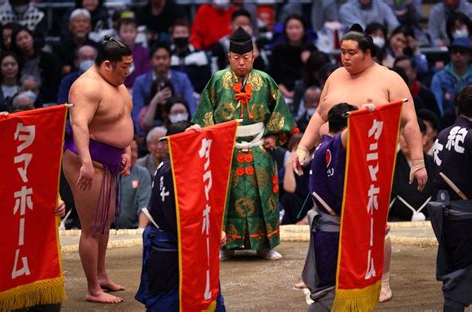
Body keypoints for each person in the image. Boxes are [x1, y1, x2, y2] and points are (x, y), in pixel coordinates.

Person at [191, 27, 295, 260]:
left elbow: (279, 112)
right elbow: (205, 115)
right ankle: (225, 244)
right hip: (226, 150)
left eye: (245, 58)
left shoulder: (265, 80)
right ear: (229, 57)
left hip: (259, 148)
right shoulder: (217, 80)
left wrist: (272, 135)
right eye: (236, 58)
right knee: (226, 197)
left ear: (253, 56)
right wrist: (214, 141)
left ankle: (265, 245)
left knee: (264, 197)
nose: (241, 63)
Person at [293, 25, 427, 193]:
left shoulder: (390, 79)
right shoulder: (335, 76)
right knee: (330, 214)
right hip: (331, 160)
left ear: (367, 53)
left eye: (352, 53)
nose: (346, 58)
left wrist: (418, 162)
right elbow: (320, 115)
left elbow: (409, 121)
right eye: (342, 52)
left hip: (372, 162)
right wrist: (303, 148)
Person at [62, 35, 133, 304]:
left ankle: (101, 274)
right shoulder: (86, 87)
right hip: (87, 160)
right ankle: (93, 289)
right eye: (123, 66)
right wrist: (87, 163)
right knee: (92, 226)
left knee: (106, 219)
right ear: (107, 65)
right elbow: (79, 125)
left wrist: (125, 149)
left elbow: (123, 117)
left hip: (109, 160)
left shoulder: (117, 83)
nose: (128, 71)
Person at [135, 120, 226, 311]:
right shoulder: (169, 171)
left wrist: (213, 230)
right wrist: (207, 234)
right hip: (169, 240)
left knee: (208, 295)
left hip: (191, 239)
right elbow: (172, 219)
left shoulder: (198, 167)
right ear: (171, 144)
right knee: (166, 302)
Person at [302, 102, 358, 310]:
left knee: (342, 290)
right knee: (329, 294)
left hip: (330, 228)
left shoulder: (326, 145)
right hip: (332, 231)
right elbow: (346, 134)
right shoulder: (332, 148)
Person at [429, 85, 472, 311]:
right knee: (461, 277)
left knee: (458, 270)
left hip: (446, 213)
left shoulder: (443, 134)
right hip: (466, 216)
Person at [119, 139, 151, 229]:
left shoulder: (142, 173)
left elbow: (145, 204)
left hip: (134, 228)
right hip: (105, 229)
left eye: (136, 150)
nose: (134, 155)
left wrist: (140, 230)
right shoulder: (107, 172)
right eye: (130, 150)